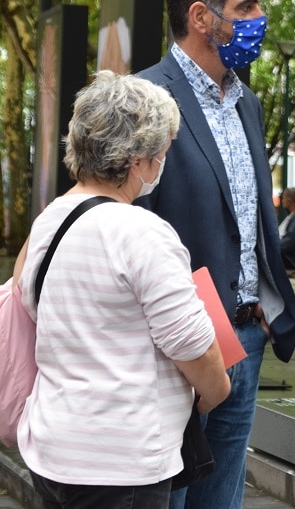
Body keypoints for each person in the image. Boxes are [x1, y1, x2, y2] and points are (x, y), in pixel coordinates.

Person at [136, 0, 295, 509]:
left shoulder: (246, 104)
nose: (259, 20)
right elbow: (127, 227)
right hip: (172, 347)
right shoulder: (143, 100)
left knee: (222, 499)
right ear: (202, 17)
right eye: (247, 6)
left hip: (246, 337)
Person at [17, 72, 231, 507]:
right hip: (121, 463)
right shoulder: (142, 232)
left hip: (53, 447)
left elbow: (30, 303)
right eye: (161, 154)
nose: (160, 166)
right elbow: (192, 346)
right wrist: (217, 390)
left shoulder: (50, 220)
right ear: (138, 162)